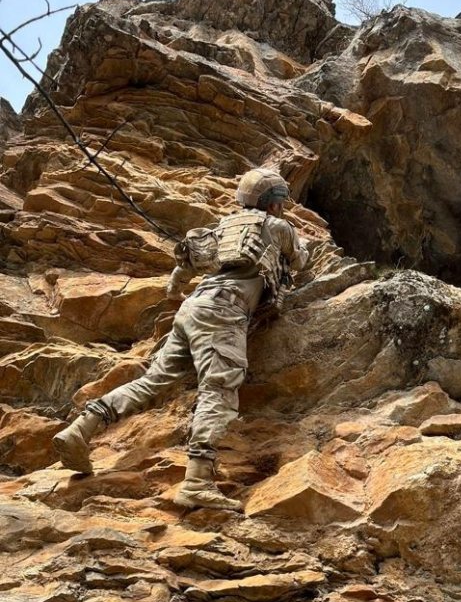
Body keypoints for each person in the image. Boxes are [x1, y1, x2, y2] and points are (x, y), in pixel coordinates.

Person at [52, 167, 309, 511]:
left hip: (193, 307)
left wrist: (174, 291)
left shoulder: (222, 228)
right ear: (272, 203)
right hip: (224, 311)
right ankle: (198, 482)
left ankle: (81, 429)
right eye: (279, 200)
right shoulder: (277, 227)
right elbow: (301, 260)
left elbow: (180, 274)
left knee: (152, 381)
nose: (282, 207)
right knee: (218, 390)